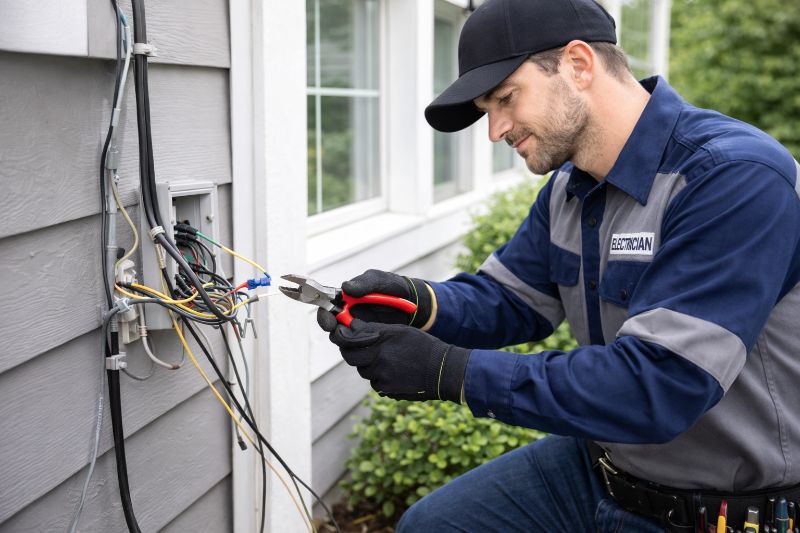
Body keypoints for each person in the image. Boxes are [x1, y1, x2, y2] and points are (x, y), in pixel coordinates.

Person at [315, 0, 800, 531]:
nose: (495, 129)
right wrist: (415, 303)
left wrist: (449, 372)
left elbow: (660, 386)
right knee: (434, 525)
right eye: (486, 108)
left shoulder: (732, 178)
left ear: (578, 64)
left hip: (726, 507)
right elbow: (509, 300)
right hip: (603, 465)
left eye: (505, 98)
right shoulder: (569, 190)